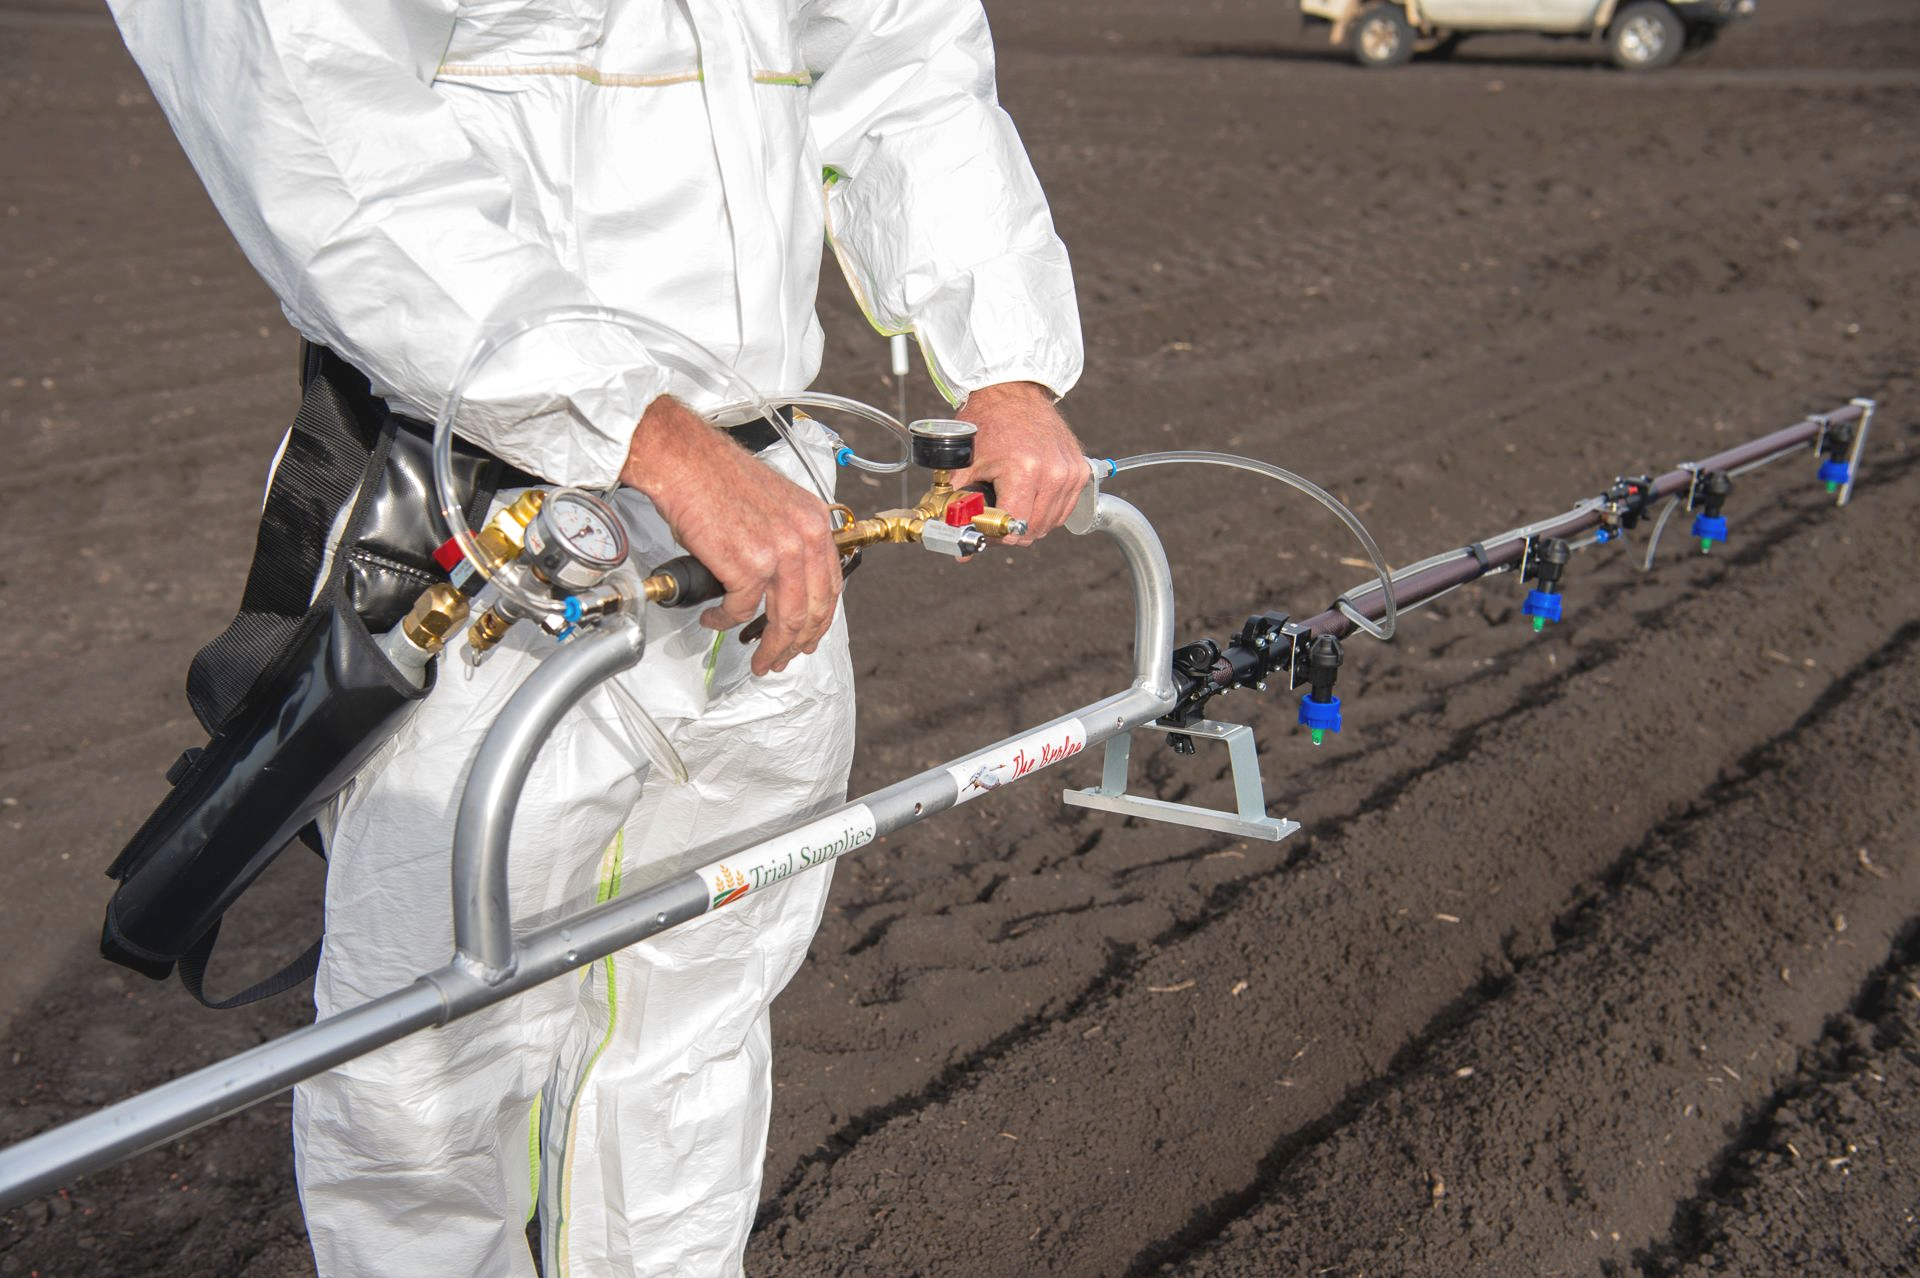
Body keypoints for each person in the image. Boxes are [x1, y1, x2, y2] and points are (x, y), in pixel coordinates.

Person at [108, 2, 1089, 1275]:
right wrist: (644, 431)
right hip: (494, 502)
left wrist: (1004, 364)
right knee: (430, 1069)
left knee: (695, 1028)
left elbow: (900, 55)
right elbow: (309, 101)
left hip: (768, 513)